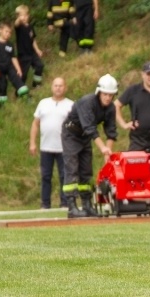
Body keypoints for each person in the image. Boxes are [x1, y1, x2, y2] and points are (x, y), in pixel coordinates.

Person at [60, 74, 118, 218]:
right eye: (105, 94)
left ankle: (87, 205)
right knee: (72, 168)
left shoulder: (111, 108)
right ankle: (72, 207)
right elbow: (89, 127)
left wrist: (107, 152)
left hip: (85, 137)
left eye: (111, 95)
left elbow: (111, 131)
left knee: (86, 170)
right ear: (99, 92)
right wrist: (102, 147)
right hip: (71, 134)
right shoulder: (87, 102)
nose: (108, 98)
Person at [30, 77, 73, 209]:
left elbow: (76, 126)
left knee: (64, 176)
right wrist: (32, 143)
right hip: (46, 147)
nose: (58, 88)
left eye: (61, 85)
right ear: (51, 87)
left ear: (65, 87)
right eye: (55, 85)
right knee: (45, 176)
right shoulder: (43, 103)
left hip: (64, 148)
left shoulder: (71, 105)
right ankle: (45, 204)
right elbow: (35, 124)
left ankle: (65, 203)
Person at [0, 22, 29, 107]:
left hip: (10, 67)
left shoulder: (10, 44)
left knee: (17, 80)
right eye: (6, 31)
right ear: (0, 31)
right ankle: (2, 104)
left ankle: (25, 97)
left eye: (10, 32)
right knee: (2, 86)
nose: (8, 34)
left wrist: (18, 69)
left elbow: (13, 57)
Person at [15, 5, 44, 89]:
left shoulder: (30, 27)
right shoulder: (19, 27)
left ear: (28, 16)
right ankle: (20, 90)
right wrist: (19, 19)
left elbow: (33, 40)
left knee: (40, 65)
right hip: (23, 55)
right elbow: (16, 23)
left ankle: (36, 83)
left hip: (32, 53)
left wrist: (37, 50)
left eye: (25, 15)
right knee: (23, 74)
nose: (23, 17)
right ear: (18, 17)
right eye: (21, 15)